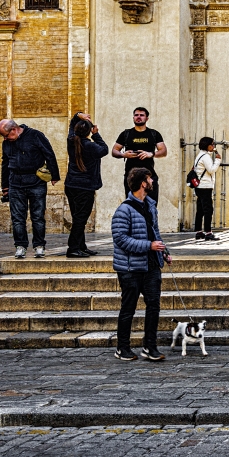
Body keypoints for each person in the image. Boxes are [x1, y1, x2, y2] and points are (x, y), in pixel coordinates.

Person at [111, 166, 171, 362]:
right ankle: (122, 347)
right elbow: (120, 239)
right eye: (150, 179)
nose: (153, 181)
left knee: (153, 305)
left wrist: (164, 252)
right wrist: (149, 246)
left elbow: (155, 233)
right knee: (128, 307)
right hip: (130, 268)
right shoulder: (124, 209)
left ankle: (150, 346)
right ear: (143, 183)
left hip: (151, 265)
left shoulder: (150, 206)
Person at [0, 118, 60, 258]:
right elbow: (5, 163)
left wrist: (54, 175)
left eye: (6, 135)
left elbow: (49, 154)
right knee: (17, 218)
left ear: (14, 130)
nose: (5, 138)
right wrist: (5, 187)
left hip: (36, 182)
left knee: (37, 217)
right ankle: (20, 246)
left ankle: (39, 246)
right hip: (15, 183)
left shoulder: (36, 135)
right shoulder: (7, 143)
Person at [65, 113, 108, 258]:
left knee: (77, 217)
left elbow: (72, 124)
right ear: (89, 131)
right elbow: (105, 149)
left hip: (71, 185)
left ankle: (81, 246)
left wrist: (78, 115)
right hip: (85, 187)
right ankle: (73, 248)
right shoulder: (91, 146)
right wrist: (96, 134)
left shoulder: (71, 140)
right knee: (80, 219)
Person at [112, 107, 167, 204]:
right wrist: (124, 155)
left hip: (149, 176)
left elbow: (163, 151)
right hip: (131, 177)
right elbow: (114, 151)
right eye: (136, 115)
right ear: (133, 117)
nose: (139, 117)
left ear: (147, 118)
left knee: (151, 206)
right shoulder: (126, 134)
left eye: (142, 115)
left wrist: (151, 154)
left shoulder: (154, 134)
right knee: (132, 206)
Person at [192, 137, 221, 241]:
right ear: (207, 145)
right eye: (212, 144)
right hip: (205, 186)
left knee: (200, 209)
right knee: (208, 209)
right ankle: (208, 232)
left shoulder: (200, 155)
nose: (213, 146)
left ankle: (199, 231)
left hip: (199, 186)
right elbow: (211, 170)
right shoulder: (205, 157)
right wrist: (217, 160)